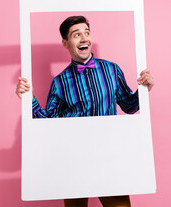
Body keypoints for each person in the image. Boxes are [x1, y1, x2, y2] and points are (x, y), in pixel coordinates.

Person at [16, 16, 154, 207]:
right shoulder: (60, 82)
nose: (84, 38)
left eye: (86, 33)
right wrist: (28, 98)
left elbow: (129, 105)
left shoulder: (111, 70)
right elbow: (48, 122)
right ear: (65, 43)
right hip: (73, 161)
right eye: (76, 34)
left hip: (108, 157)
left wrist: (144, 90)